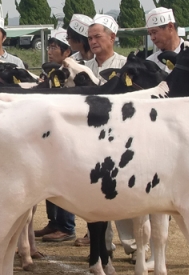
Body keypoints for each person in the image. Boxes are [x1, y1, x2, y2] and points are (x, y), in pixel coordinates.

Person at [85, 14, 134, 256]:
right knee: (95, 196)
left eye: (98, 36)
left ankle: (132, 245)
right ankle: (103, 246)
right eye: (90, 38)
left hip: (122, 138)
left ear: (112, 37)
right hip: (92, 139)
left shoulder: (127, 65)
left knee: (123, 192)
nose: (93, 41)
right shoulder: (83, 67)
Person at [35, 29, 76, 242]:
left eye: (54, 47)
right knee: (49, 176)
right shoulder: (50, 70)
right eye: (49, 47)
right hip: (51, 129)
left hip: (66, 131)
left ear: (67, 51)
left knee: (64, 177)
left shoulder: (74, 71)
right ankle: (54, 222)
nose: (50, 51)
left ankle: (67, 226)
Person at [145, 7, 185, 72]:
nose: (152, 38)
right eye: (150, 34)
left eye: (154, 32)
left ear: (170, 27)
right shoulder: (150, 63)